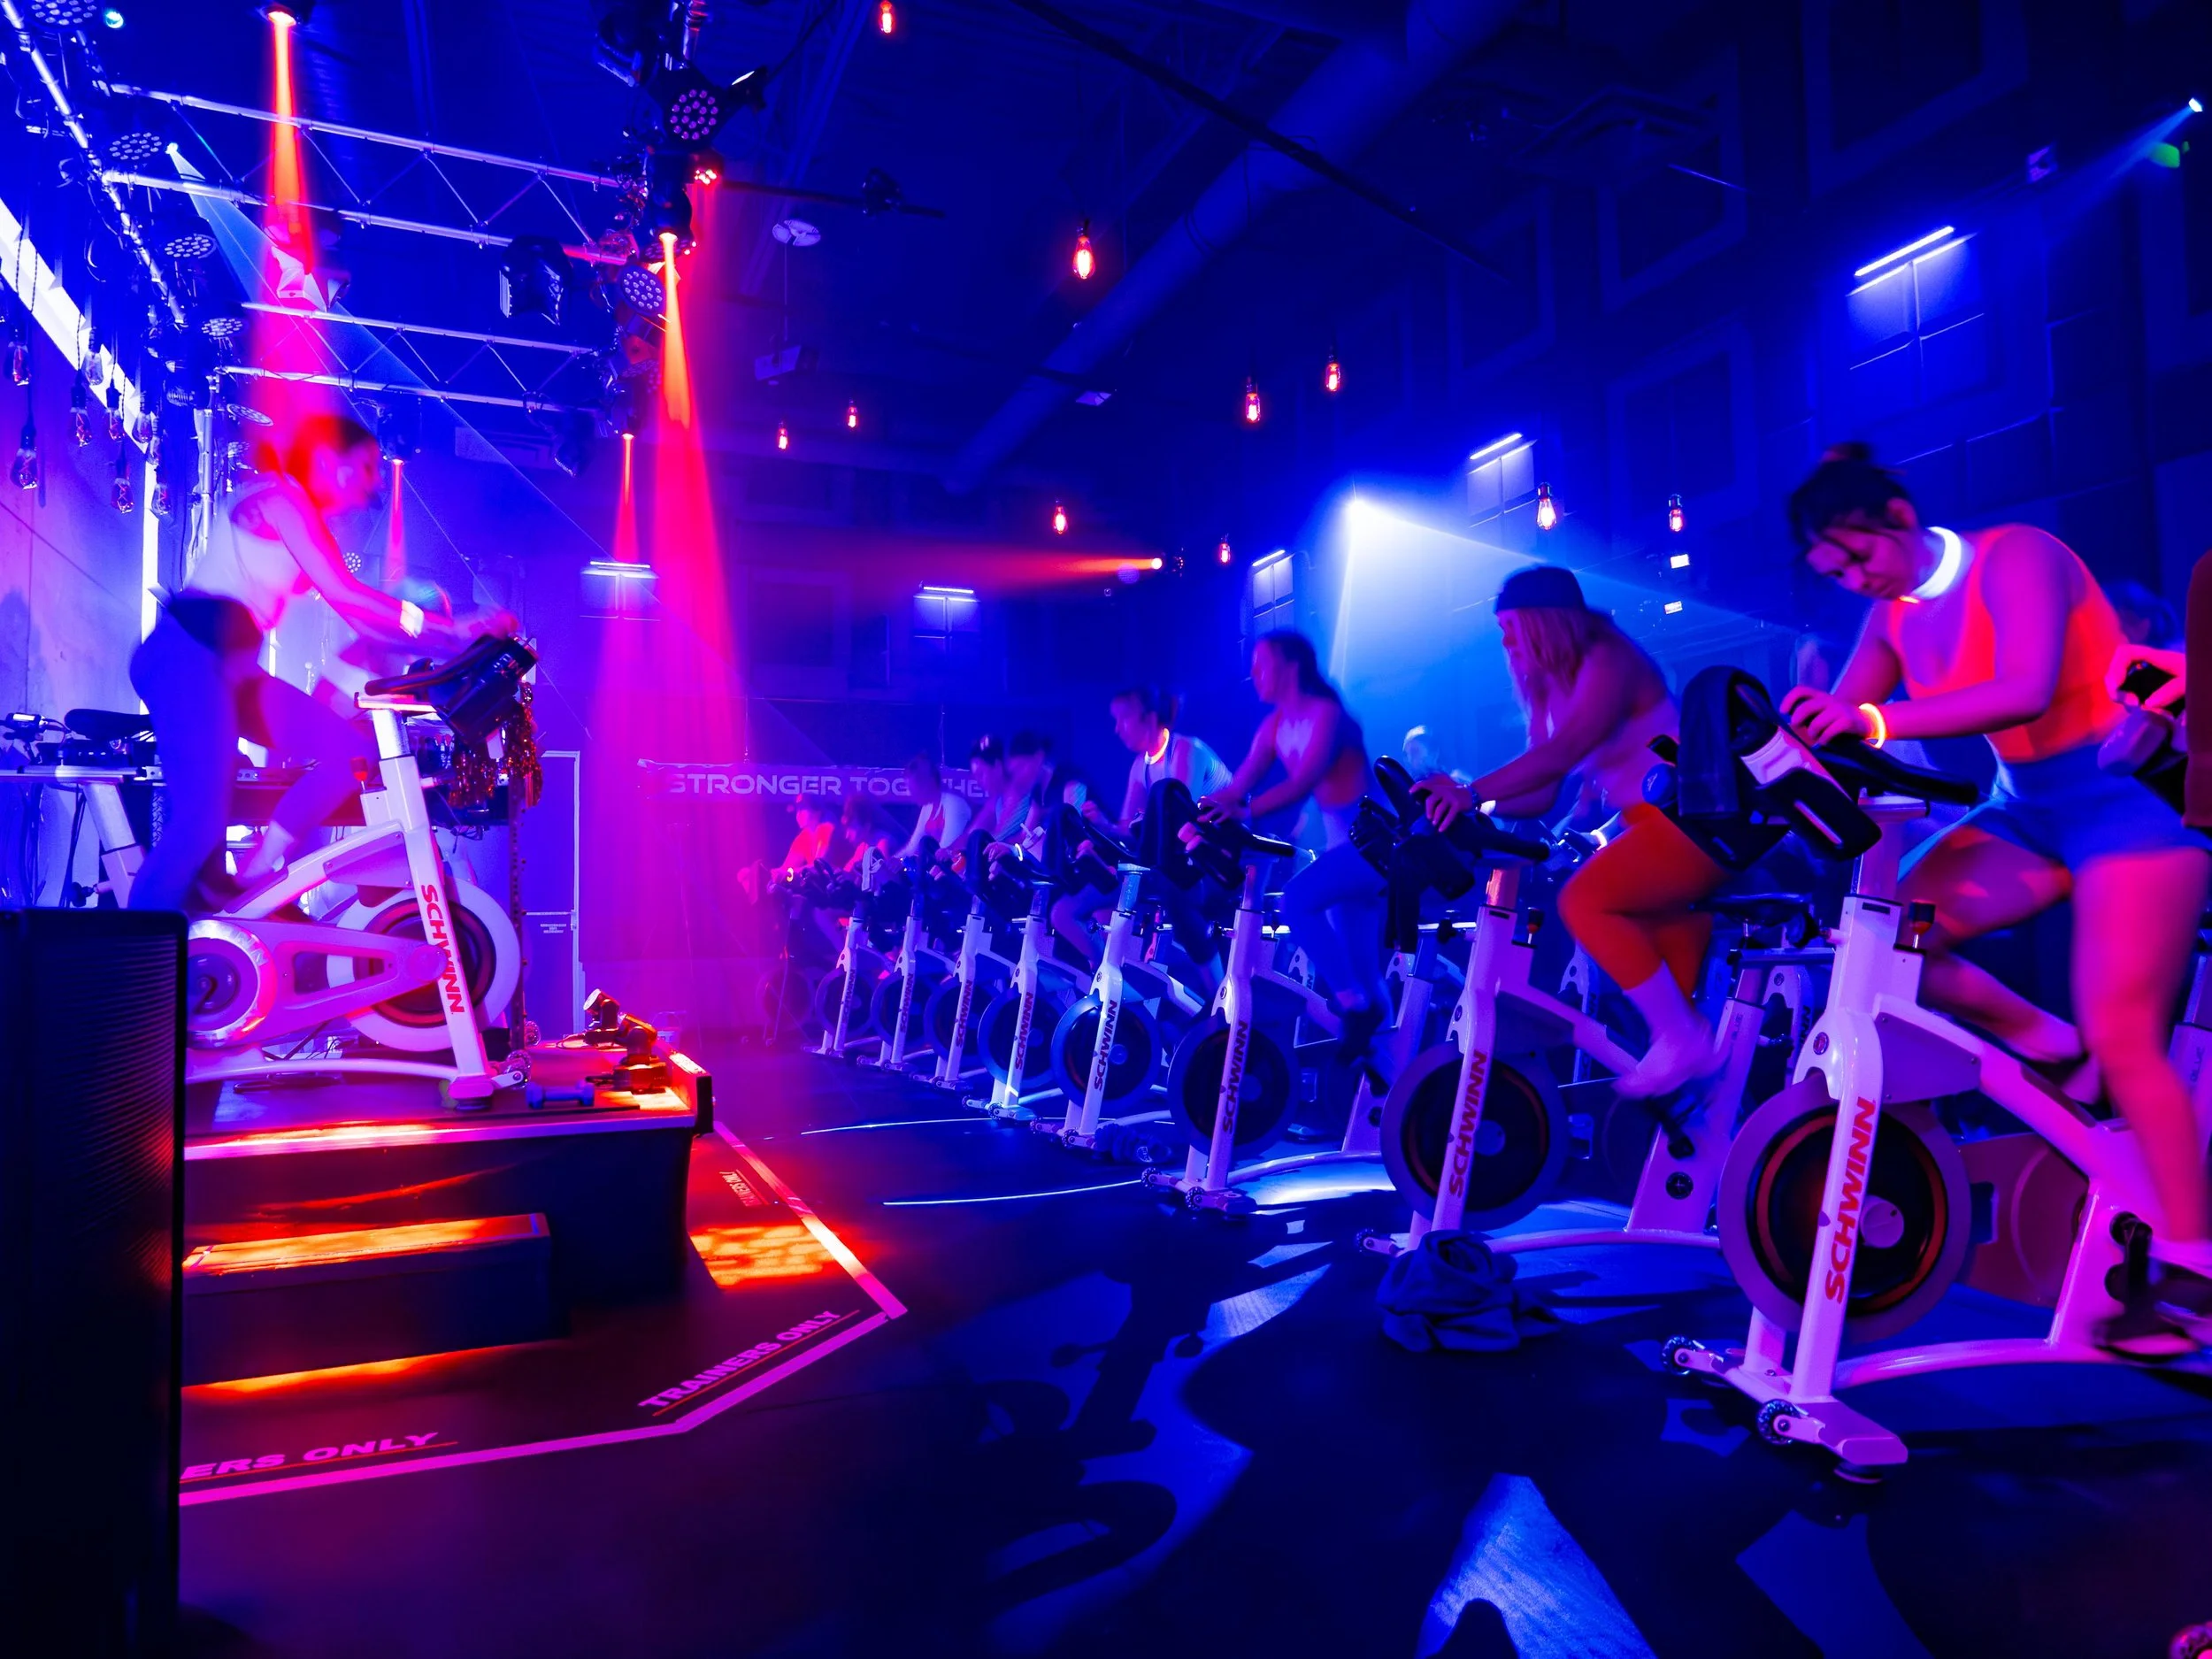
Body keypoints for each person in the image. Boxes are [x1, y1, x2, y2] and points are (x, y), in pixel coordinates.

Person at [1778, 442, 2212, 1355]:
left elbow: (2022, 689)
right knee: (1882, 930)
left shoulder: (2017, 557)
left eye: (1858, 556)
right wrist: (1791, 742)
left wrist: (1871, 719)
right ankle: (2053, 1046)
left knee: (2127, 1032)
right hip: (2025, 810)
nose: (1856, 580)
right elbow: (1841, 724)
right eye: (1835, 574)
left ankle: (2193, 1272)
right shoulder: (1891, 617)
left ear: (1900, 517)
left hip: (2127, 802)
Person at [127, 412, 512, 913]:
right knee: (199, 826)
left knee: (350, 753)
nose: (374, 485)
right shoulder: (279, 498)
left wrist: (457, 638)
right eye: (366, 467)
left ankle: (252, 875)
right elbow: (345, 594)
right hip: (187, 661)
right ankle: (130, 952)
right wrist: (447, 628)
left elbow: (367, 624)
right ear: (329, 460)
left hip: (233, 674)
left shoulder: (307, 523)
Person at [1415, 566, 1727, 1098]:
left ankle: (1686, 1042)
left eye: (1512, 627)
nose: (1505, 642)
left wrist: (1468, 792)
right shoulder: (1544, 683)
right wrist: (1472, 809)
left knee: (1584, 903)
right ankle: (1698, 1091)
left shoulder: (1608, 656)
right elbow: (1542, 793)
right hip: (1646, 827)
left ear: (1546, 622)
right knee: (1677, 1073)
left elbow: (1565, 751)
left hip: (1691, 821)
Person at [1197, 630, 1383, 1048]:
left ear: (1292, 667)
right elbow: (1238, 787)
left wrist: (1244, 812)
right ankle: (1388, 1069)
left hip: (1374, 845)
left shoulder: (1327, 715)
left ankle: (1355, 1009)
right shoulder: (1274, 726)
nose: (1254, 675)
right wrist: (1199, 811)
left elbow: (1303, 783)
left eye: (1262, 666)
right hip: (1346, 849)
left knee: (1295, 901)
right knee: (1365, 978)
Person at [894, 752, 972, 859]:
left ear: (928, 783)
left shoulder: (954, 804)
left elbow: (945, 851)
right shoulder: (928, 807)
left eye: (912, 789)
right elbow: (913, 847)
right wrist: (894, 860)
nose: (910, 793)